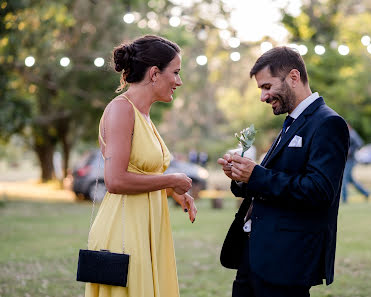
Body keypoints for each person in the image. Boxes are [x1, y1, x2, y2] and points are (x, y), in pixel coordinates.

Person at [218, 46, 350, 297]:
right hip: (255, 253)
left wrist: (255, 175)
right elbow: (277, 178)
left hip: (287, 259)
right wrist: (241, 177)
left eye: (267, 87)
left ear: (293, 77)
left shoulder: (327, 123)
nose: (263, 97)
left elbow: (320, 191)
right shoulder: (292, 122)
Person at [85, 35, 197, 297]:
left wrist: (174, 191)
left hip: (149, 228)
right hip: (124, 232)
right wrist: (170, 180)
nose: (179, 81)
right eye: (176, 73)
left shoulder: (144, 115)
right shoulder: (121, 111)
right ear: (155, 73)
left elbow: (144, 172)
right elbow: (115, 181)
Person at [341, 124, 370, 203]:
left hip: (350, 160)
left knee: (344, 179)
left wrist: (350, 151)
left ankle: (344, 199)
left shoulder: (352, 134)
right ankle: (366, 193)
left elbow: (359, 143)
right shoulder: (347, 133)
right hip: (347, 160)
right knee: (351, 180)